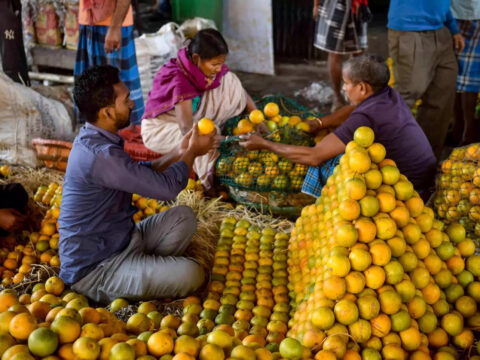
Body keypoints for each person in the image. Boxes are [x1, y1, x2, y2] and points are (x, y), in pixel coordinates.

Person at [58, 65, 216, 304]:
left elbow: (136, 173)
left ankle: (142, 270)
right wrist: (192, 153)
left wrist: (179, 151)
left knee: (184, 216)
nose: (132, 104)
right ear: (107, 113)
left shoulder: (95, 137)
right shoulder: (101, 155)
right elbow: (168, 189)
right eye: (126, 100)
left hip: (124, 241)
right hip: (96, 269)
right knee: (193, 274)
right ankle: (130, 279)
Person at [239, 55, 437, 198]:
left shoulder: (365, 117)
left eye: (346, 83)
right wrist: (320, 123)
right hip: (426, 174)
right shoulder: (388, 95)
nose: (343, 89)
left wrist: (265, 144)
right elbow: (353, 108)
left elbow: (314, 156)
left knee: (333, 161)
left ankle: (319, 200)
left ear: (362, 88)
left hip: (408, 189)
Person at [141, 29, 257, 192]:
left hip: (192, 120)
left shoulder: (205, 70)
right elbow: (186, 129)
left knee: (228, 79)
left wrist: (259, 118)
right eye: (215, 64)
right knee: (203, 137)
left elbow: (239, 90)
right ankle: (212, 185)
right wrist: (224, 139)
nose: (218, 68)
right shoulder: (180, 79)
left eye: (221, 63)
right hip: (163, 128)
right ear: (196, 58)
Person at [387, 0, 465, 157]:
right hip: (410, 30)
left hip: (441, 29)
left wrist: (452, 27)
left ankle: (425, 160)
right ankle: (391, 160)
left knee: (441, 100)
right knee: (405, 98)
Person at [75, 0, 144, 124]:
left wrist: (115, 27)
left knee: (119, 91)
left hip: (112, 25)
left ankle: (130, 134)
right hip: (89, 21)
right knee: (93, 90)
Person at [313, 0, 371, 112]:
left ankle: (355, 95)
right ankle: (337, 96)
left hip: (357, 5)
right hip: (334, 4)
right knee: (334, 51)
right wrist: (316, 4)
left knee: (358, 52)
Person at [451, 1, 480, 145]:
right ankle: (461, 126)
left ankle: (465, 128)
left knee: (465, 76)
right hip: (457, 14)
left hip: (464, 14)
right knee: (460, 75)